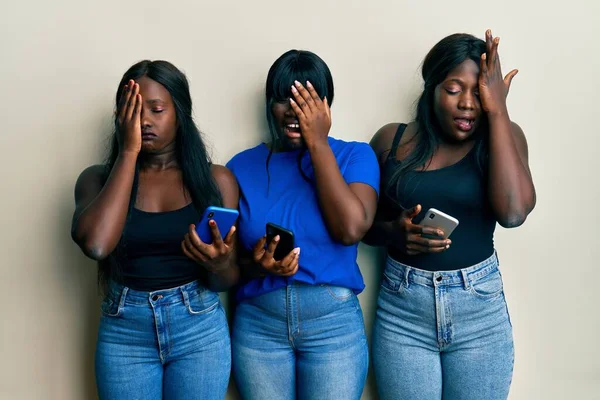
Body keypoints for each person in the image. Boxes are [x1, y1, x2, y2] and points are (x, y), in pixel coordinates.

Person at [364, 30, 536, 400]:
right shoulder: (391, 140)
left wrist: (499, 111)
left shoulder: (504, 138)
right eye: (455, 89)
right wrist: (394, 232)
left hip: (479, 315)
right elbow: (363, 229)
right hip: (402, 314)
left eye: (479, 91)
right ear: (432, 88)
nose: (468, 104)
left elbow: (514, 212)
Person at [71, 60, 238, 399]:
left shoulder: (216, 181)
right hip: (124, 333)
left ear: (180, 113)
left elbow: (226, 281)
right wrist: (128, 152)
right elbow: (98, 246)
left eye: (156, 109)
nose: (144, 120)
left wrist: (217, 263)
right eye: (132, 110)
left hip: (199, 328)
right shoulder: (96, 181)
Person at [227, 50, 380, 400]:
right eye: (286, 99)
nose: (296, 110)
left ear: (326, 107)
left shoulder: (354, 156)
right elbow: (227, 264)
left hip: (332, 328)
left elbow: (351, 229)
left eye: (307, 99)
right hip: (258, 328)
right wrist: (257, 264)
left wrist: (317, 143)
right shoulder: (240, 166)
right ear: (270, 105)